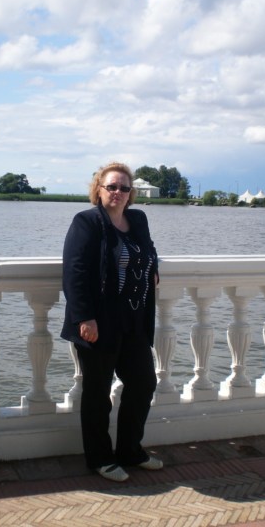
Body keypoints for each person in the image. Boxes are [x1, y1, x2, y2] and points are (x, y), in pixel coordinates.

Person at [61, 161, 163, 482]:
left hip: (134, 321)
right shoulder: (87, 222)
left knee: (143, 383)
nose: (118, 192)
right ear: (99, 189)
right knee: (97, 392)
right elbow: (75, 272)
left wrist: (154, 269)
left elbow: (149, 250)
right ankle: (100, 458)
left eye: (124, 188)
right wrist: (84, 317)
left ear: (131, 193)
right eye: (112, 187)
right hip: (100, 322)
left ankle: (130, 450)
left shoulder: (138, 219)